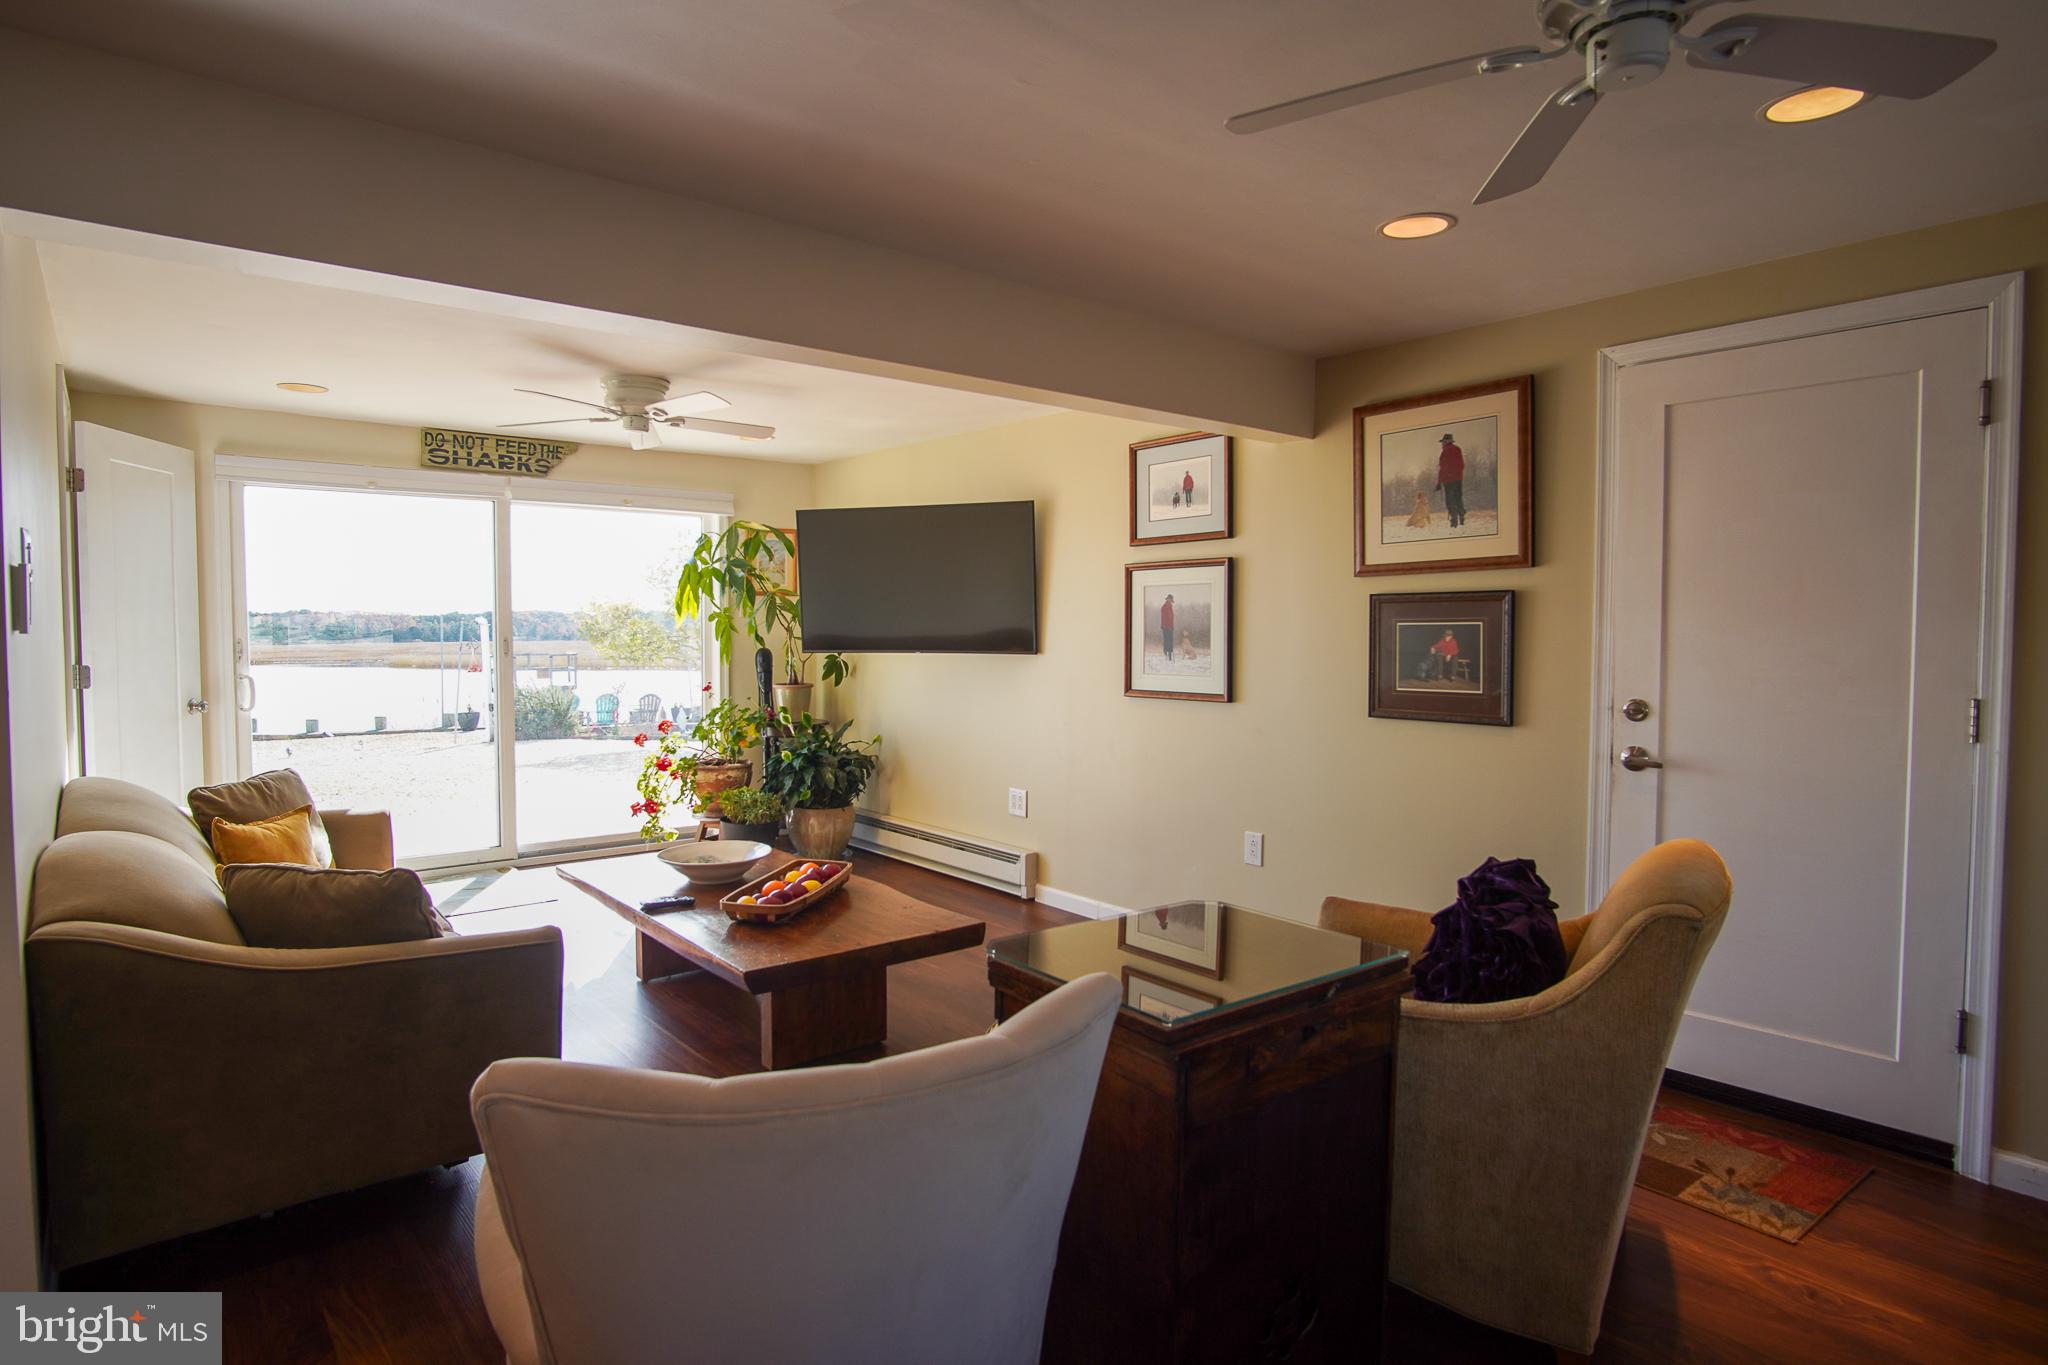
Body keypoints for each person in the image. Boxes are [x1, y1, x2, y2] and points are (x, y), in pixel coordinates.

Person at [1436, 433, 1466, 529]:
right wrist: (1458, 474)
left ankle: (1454, 520)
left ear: (1446, 442)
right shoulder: (1458, 449)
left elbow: (1443, 468)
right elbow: (1462, 465)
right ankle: (1462, 516)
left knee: (1450, 500)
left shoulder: (1445, 452)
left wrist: (1439, 482)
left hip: (1448, 480)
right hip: (1458, 478)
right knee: (1458, 497)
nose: (1442, 444)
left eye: (1443, 442)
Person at [1159, 593, 1177, 662]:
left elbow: (1171, 618)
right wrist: (1165, 626)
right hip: (1166, 627)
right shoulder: (1165, 607)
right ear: (1168, 599)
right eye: (1170, 599)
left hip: (1169, 627)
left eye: (1171, 600)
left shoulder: (1170, 606)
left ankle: (1169, 654)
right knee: (1168, 641)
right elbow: (1164, 618)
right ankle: (1167, 654)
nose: (1171, 601)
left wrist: (1171, 626)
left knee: (1169, 641)